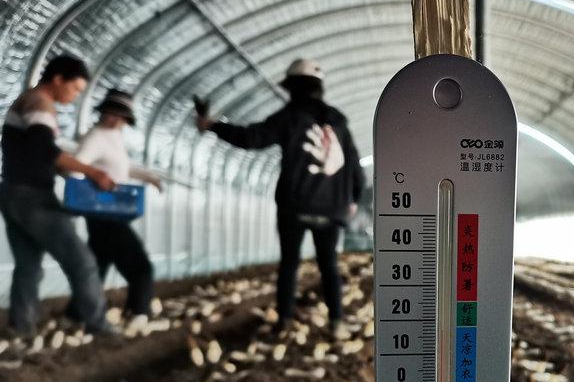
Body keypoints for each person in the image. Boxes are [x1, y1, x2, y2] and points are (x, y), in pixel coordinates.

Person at [196, 58, 364, 339]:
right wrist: (353, 199)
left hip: (294, 206)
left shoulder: (289, 116)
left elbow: (251, 138)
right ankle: (337, 323)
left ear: (293, 88)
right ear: (319, 88)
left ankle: (284, 322)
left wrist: (213, 125)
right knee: (328, 266)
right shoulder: (339, 122)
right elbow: (355, 167)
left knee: (289, 265)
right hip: (330, 209)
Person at [0, 54, 115, 334]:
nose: (75, 96)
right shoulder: (39, 102)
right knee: (82, 262)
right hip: (33, 197)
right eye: (74, 88)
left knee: (29, 266)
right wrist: (92, 172)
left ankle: (21, 329)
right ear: (58, 79)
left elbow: (34, 152)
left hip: (13, 193)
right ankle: (99, 326)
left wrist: (67, 172)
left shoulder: (30, 102)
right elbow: (45, 149)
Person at [75, 89, 162, 320]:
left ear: (126, 119)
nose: (114, 119)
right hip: (104, 212)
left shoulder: (114, 136)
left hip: (110, 211)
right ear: (102, 112)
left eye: (120, 116)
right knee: (141, 267)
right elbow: (78, 165)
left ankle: (78, 315)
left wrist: (148, 177)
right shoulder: (96, 137)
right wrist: (92, 181)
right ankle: (138, 313)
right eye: (110, 113)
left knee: (97, 266)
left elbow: (119, 167)